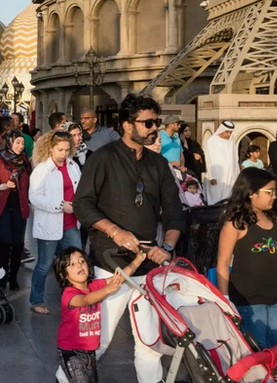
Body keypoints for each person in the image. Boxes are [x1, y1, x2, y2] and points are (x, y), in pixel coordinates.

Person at [72, 93, 185, 383]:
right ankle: (66, 378)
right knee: (99, 339)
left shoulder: (158, 164)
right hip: (109, 261)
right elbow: (83, 203)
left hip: (148, 266)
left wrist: (167, 247)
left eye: (156, 123)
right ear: (126, 125)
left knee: (150, 344)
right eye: (147, 123)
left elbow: (174, 212)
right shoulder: (103, 158)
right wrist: (115, 231)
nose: (154, 128)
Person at [216, 168, 277, 350]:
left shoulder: (273, 219)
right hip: (247, 302)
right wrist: (224, 300)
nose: (274, 196)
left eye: (274, 192)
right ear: (251, 193)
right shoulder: (236, 223)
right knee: (257, 349)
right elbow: (222, 263)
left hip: (273, 298)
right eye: (269, 192)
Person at [54, 247, 146, 383]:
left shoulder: (93, 285)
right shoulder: (68, 294)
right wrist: (108, 289)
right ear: (64, 274)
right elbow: (86, 299)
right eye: (72, 264)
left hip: (90, 350)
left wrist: (137, 261)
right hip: (71, 352)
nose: (79, 265)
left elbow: (120, 277)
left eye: (81, 261)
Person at [28, 130, 82, 315]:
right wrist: (60, 206)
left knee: (76, 260)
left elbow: (79, 189)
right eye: (60, 150)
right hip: (50, 224)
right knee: (44, 264)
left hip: (71, 223)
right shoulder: (42, 169)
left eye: (67, 150)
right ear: (51, 148)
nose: (64, 154)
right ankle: (36, 300)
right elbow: (34, 197)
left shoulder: (73, 165)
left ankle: (76, 297)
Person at [0, 128, 30, 291]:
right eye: (17, 142)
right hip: (3, 207)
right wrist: (1, 185)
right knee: (5, 240)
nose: (20, 146)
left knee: (18, 242)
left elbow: (29, 183)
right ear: (10, 143)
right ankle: (3, 274)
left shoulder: (25, 162)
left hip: (20, 206)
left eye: (22, 143)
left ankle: (14, 276)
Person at [203, 120, 240, 204]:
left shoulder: (231, 141)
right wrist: (211, 176)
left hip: (231, 175)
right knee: (216, 198)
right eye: (227, 132)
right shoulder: (212, 141)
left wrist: (237, 174)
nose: (229, 134)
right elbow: (209, 159)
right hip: (217, 176)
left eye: (230, 132)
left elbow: (235, 158)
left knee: (229, 197)